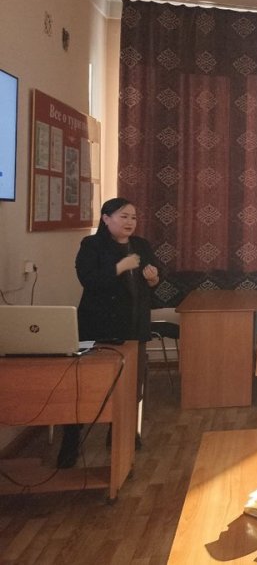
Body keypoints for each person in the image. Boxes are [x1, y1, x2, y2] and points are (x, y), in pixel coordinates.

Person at [59, 197, 160, 468]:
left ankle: (121, 433)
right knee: (85, 385)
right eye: (123, 216)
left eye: (133, 217)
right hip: (99, 325)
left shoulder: (141, 245)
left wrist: (153, 278)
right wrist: (120, 267)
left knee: (131, 384)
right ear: (106, 218)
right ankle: (71, 441)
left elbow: (153, 280)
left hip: (134, 324)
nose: (130, 222)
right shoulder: (92, 245)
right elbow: (89, 280)